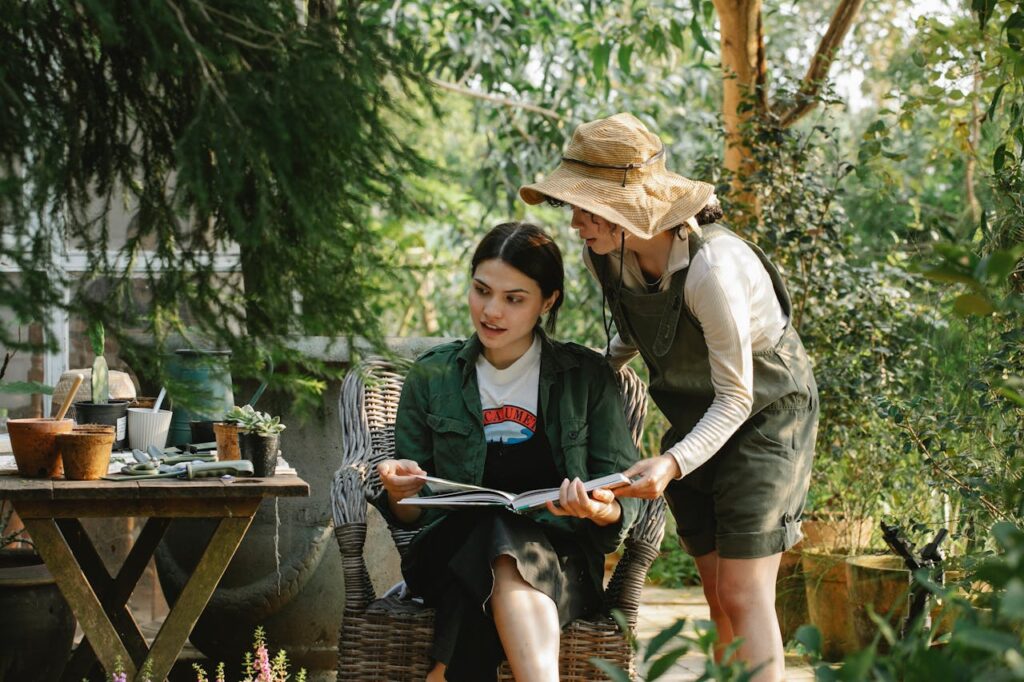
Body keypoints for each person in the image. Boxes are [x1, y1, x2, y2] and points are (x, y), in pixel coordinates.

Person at [519, 113, 818, 682]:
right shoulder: (606, 251)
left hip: (766, 417)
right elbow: (634, 334)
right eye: (573, 206)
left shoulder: (713, 268)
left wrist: (673, 461)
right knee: (714, 589)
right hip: (695, 417)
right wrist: (586, 379)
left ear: (633, 206)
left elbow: (736, 396)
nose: (577, 222)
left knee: (742, 590)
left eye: (589, 207)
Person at [374, 222, 641, 682]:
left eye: (514, 298)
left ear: (548, 301)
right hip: (445, 556)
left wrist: (600, 510)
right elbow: (413, 513)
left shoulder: (586, 378)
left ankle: (443, 672)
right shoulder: (433, 377)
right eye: (481, 290)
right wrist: (398, 489)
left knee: (502, 553)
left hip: (562, 564)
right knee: (495, 531)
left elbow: (625, 494)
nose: (491, 311)